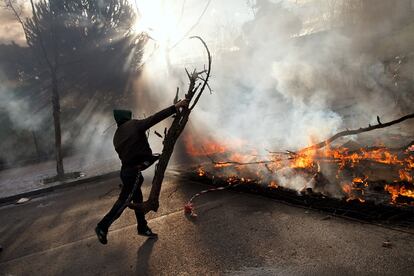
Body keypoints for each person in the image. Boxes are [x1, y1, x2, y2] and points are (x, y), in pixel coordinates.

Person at [95, 99, 189, 244]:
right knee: (124, 201)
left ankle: (142, 227)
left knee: (137, 198)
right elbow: (154, 118)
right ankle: (102, 226)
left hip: (127, 171)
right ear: (127, 118)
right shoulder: (133, 125)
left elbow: (130, 153)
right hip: (133, 172)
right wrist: (174, 107)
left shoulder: (116, 136)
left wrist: (148, 160)